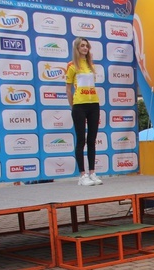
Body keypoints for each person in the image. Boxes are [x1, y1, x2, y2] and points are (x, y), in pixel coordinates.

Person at [66, 37, 102, 186]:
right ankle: (82, 175)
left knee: (91, 140)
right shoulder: (72, 65)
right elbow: (68, 88)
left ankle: (92, 172)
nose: (85, 48)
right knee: (81, 140)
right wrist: (72, 106)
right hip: (79, 105)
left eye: (87, 46)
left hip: (93, 104)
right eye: (82, 46)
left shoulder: (90, 65)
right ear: (77, 48)